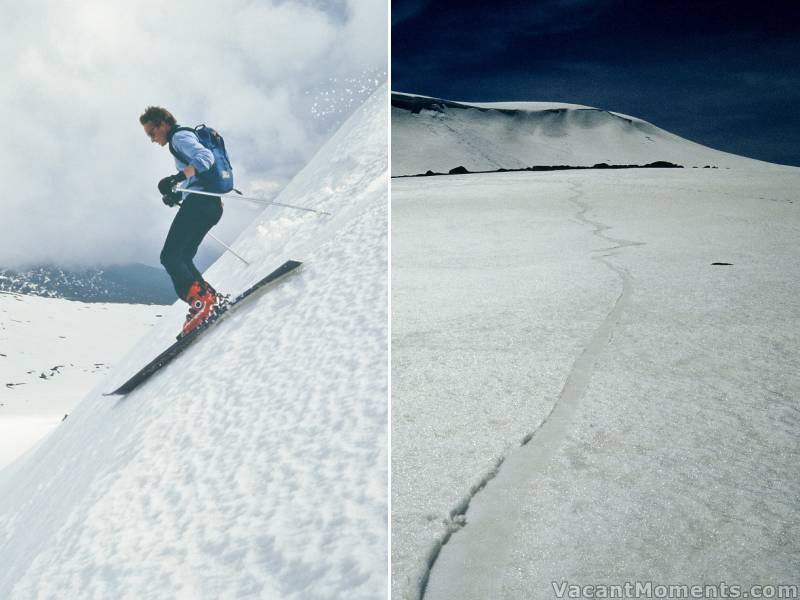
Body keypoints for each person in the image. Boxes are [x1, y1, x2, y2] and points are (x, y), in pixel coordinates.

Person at [139, 106, 224, 336]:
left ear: (163, 124)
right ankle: (209, 299)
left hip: (200, 204)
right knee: (183, 256)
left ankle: (201, 303)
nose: (152, 139)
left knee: (170, 256)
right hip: (210, 205)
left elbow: (205, 159)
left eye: (151, 133)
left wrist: (177, 177)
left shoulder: (179, 137)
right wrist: (178, 194)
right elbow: (198, 173)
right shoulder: (181, 139)